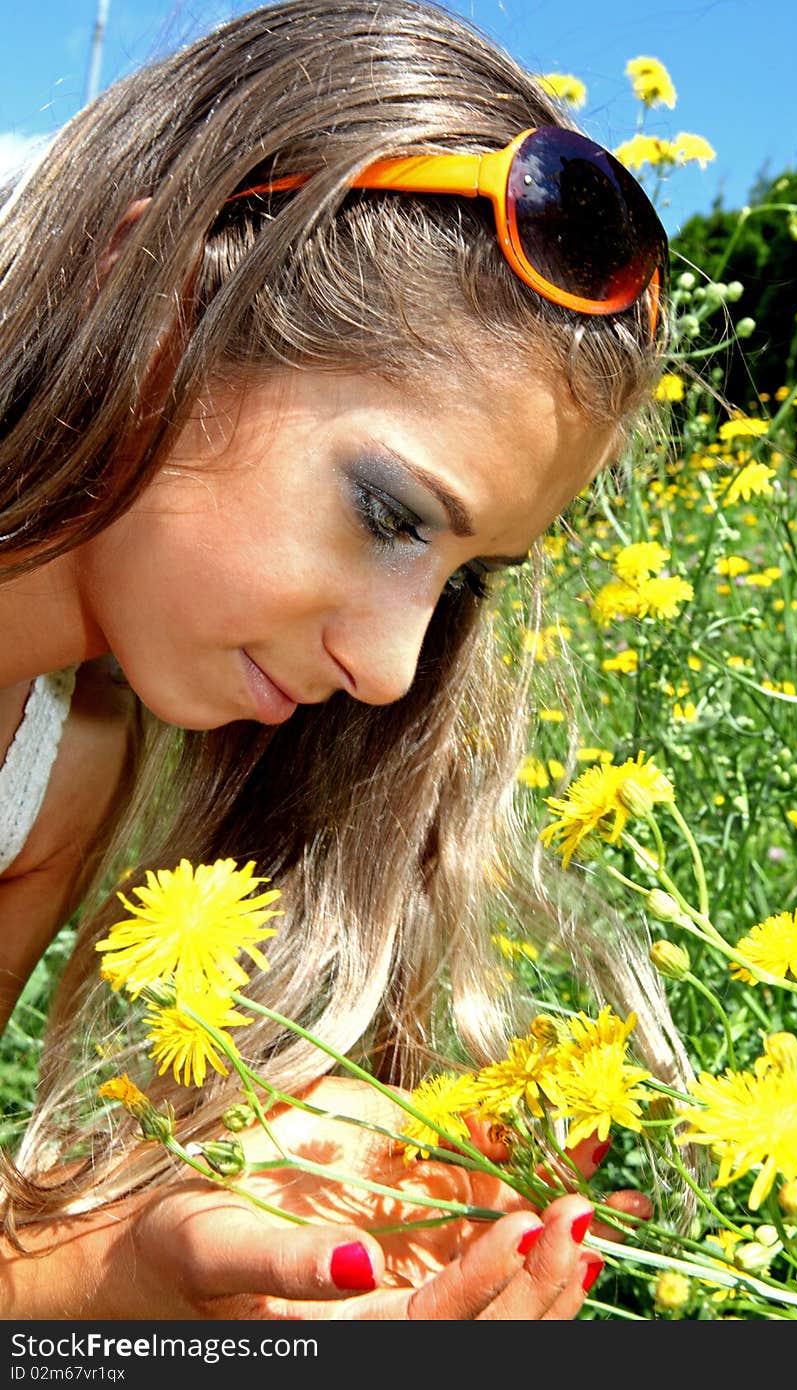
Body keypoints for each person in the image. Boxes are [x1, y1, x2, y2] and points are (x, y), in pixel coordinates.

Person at [0, 0, 685, 1319]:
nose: (391, 669)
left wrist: (139, 1263)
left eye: (463, 577)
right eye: (390, 514)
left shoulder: (57, 773)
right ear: (151, 308)